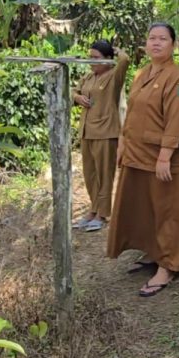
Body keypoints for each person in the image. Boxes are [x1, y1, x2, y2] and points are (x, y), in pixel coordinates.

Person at [107, 22, 179, 297]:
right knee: (144, 207)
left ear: (173, 45)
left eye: (162, 39)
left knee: (168, 210)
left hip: (162, 157)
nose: (156, 43)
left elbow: (177, 121)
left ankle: (169, 265)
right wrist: (122, 144)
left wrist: (165, 156)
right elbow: (131, 113)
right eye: (152, 38)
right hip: (137, 153)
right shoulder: (142, 74)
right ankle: (154, 252)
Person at [72, 40, 130, 232]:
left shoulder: (113, 76)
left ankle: (102, 214)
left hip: (106, 132)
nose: (92, 61)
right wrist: (77, 97)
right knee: (90, 174)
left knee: (104, 174)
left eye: (96, 58)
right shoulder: (88, 77)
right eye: (90, 57)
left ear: (107, 59)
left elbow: (125, 60)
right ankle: (93, 209)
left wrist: (116, 50)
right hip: (86, 131)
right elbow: (74, 91)